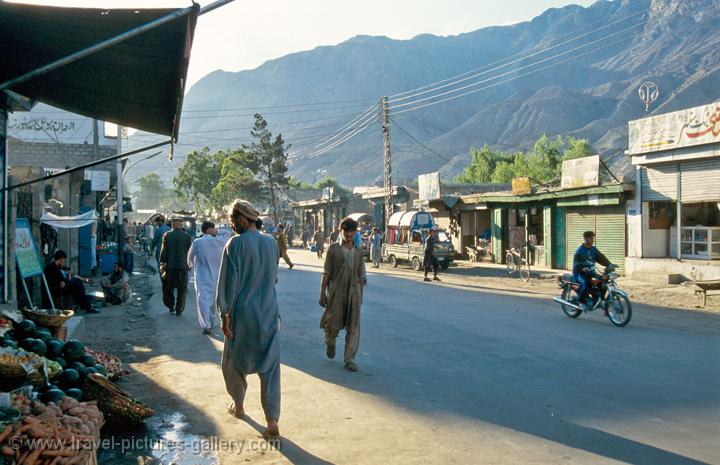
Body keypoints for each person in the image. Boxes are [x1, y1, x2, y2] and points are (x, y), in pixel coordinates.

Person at [217, 199, 281, 438]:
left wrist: (225, 314)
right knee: (271, 367)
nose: (233, 225)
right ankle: (272, 420)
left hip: (242, 312)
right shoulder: (271, 243)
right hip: (269, 310)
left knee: (233, 362)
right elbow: (273, 278)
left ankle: (240, 405)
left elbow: (228, 285)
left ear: (243, 220)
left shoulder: (234, 244)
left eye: (234, 220)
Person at [319, 217, 366, 372]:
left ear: (355, 232)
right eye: (346, 230)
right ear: (341, 231)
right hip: (336, 293)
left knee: (354, 326)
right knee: (333, 324)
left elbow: (361, 276)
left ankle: (350, 359)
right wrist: (322, 293)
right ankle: (330, 341)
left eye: (352, 231)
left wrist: (360, 296)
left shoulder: (359, 251)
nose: (349, 234)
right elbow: (326, 272)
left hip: (354, 293)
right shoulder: (333, 249)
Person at [187, 221, 232, 334]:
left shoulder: (197, 242)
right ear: (210, 229)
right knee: (214, 301)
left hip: (202, 277)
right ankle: (211, 321)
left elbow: (189, 259)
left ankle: (206, 325)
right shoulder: (220, 240)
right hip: (219, 277)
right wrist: (216, 231)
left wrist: (191, 267)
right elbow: (228, 232)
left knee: (203, 301)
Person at [159, 217, 192, 316]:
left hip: (170, 267)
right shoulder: (186, 236)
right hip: (182, 266)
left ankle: (171, 306)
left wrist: (162, 263)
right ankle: (179, 308)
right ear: (181, 224)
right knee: (182, 289)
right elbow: (189, 252)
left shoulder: (167, 235)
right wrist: (189, 264)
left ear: (172, 224)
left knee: (168, 288)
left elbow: (163, 251)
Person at [573, 231, 611, 311]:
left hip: (590, 272)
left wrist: (609, 265)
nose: (592, 240)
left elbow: (601, 258)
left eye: (593, 238)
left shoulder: (593, 250)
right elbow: (576, 265)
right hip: (579, 274)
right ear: (585, 239)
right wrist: (582, 269)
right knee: (586, 283)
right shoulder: (580, 251)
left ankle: (601, 299)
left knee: (604, 280)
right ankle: (581, 302)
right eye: (590, 238)